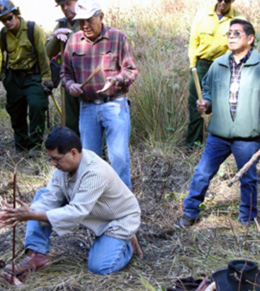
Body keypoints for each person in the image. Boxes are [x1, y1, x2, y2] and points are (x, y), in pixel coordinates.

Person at [0, 126, 141, 277]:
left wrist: (32, 215)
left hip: (119, 219)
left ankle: (127, 244)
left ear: (73, 153)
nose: (53, 164)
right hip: (96, 212)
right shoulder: (65, 168)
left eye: (56, 159)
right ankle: (37, 254)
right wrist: (20, 213)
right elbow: (50, 197)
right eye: (51, 158)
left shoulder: (95, 172)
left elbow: (77, 212)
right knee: (42, 194)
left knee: (100, 267)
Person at [177, 19, 259, 227]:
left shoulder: (258, 65)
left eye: (236, 33)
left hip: (248, 136)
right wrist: (206, 103)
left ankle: (247, 220)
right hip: (219, 134)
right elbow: (207, 91)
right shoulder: (218, 64)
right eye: (229, 33)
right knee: (202, 172)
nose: (231, 37)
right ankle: (189, 212)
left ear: (250, 39)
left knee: (248, 179)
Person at [61, 0, 138, 190]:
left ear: (101, 17)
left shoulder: (117, 37)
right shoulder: (73, 41)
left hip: (114, 104)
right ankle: (95, 203)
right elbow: (65, 73)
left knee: (119, 158)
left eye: (89, 20)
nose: (85, 26)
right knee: (90, 159)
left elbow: (131, 70)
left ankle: (124, 206)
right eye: (81, 22)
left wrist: (116, 80)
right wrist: (71, 86)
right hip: (87, 107)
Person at [186, 0, 244, 148]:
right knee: (196, 106)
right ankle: (194, 145)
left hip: (225, 67)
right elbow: (194, 41)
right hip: (201, 66)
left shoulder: (239, 19)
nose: (223, 2)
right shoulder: (202, 14)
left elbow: (243, 48)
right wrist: (193, 66)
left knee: (224, 105)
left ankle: (223, 147)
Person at [0, 0, 53, 152]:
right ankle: (21, 144)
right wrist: (3, 75)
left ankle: (35, 145)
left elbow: (43, 55)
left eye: (9, 17)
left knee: (37, 106)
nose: (7, 22)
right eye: (3, 20)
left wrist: (47, 79)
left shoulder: (32, 29)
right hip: (13, 78)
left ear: (16, 14)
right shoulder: (3, 34)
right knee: (15, 111)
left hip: (32, 76)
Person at [46, 0, 81, 135]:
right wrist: (56, 37)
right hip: (68, 77)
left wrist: (70, 35)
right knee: (70, 120)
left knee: (90, 120)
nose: (65, 8)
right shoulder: (61, 24)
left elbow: (89, 43)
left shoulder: (88, 18)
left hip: (88, 77)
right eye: (62, 6)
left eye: (68, 4)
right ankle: (73, 151)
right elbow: (48, 51)